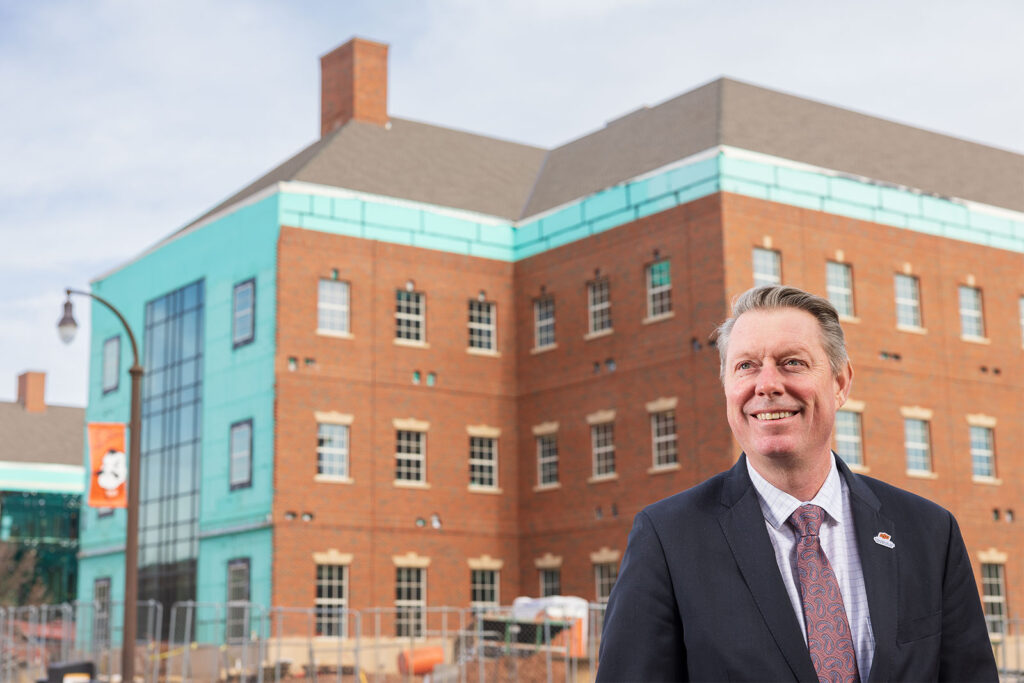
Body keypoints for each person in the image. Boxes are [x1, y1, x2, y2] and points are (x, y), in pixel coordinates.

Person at [597, 285, 997, 682]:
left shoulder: (928, 533)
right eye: (746, 366)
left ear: (840, 384)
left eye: (792, 363)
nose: (767, 384)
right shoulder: (668, 539)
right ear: (727, 388)